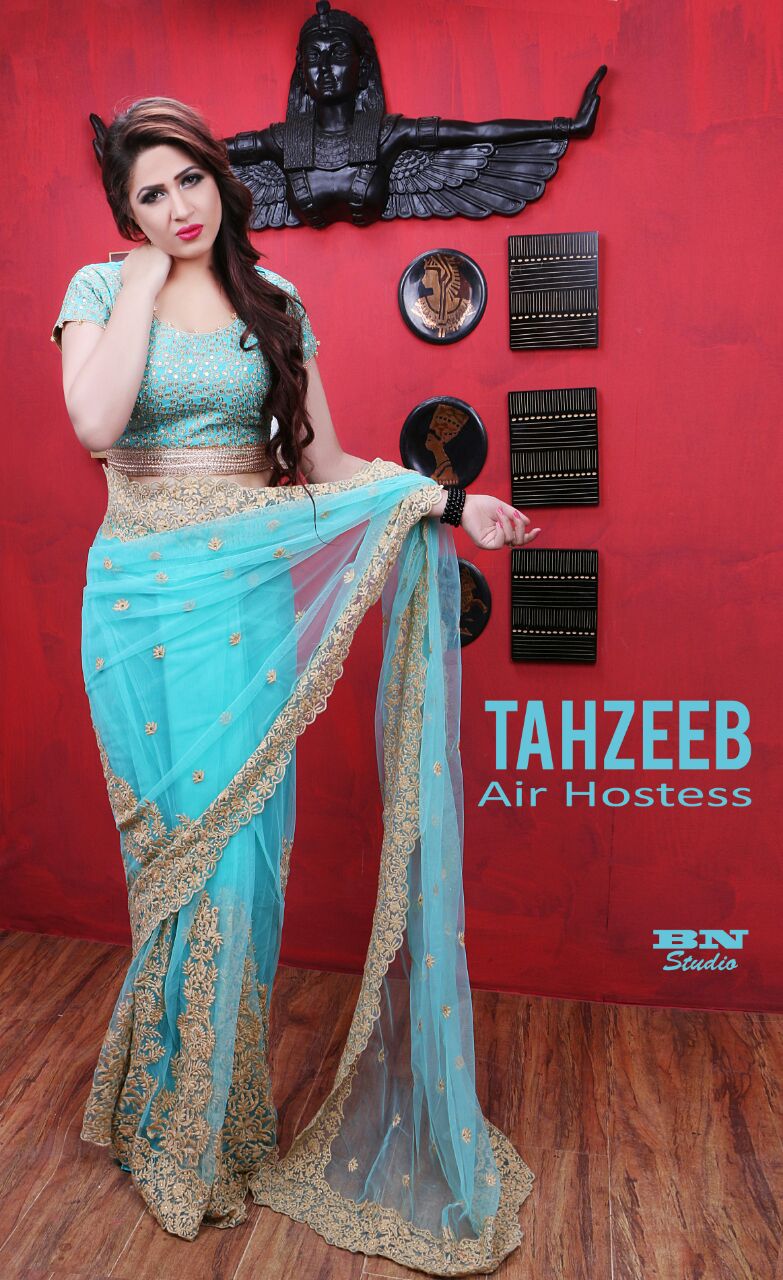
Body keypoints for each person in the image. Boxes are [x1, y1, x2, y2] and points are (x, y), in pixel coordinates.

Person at [51, 95, 542, 1275]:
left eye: (188, 180)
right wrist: (137, 281)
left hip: (248, 613)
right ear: (126, 209)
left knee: (245, 862)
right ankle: (167, 1117)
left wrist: (447, 501)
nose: (175, 207)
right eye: (149, 193)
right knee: (175, 865)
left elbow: (325, 466)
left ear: (221, 180)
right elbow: (95, 423)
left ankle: (215, 1126)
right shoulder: (98, 291)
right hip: (141, 612)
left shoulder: (274, 300)